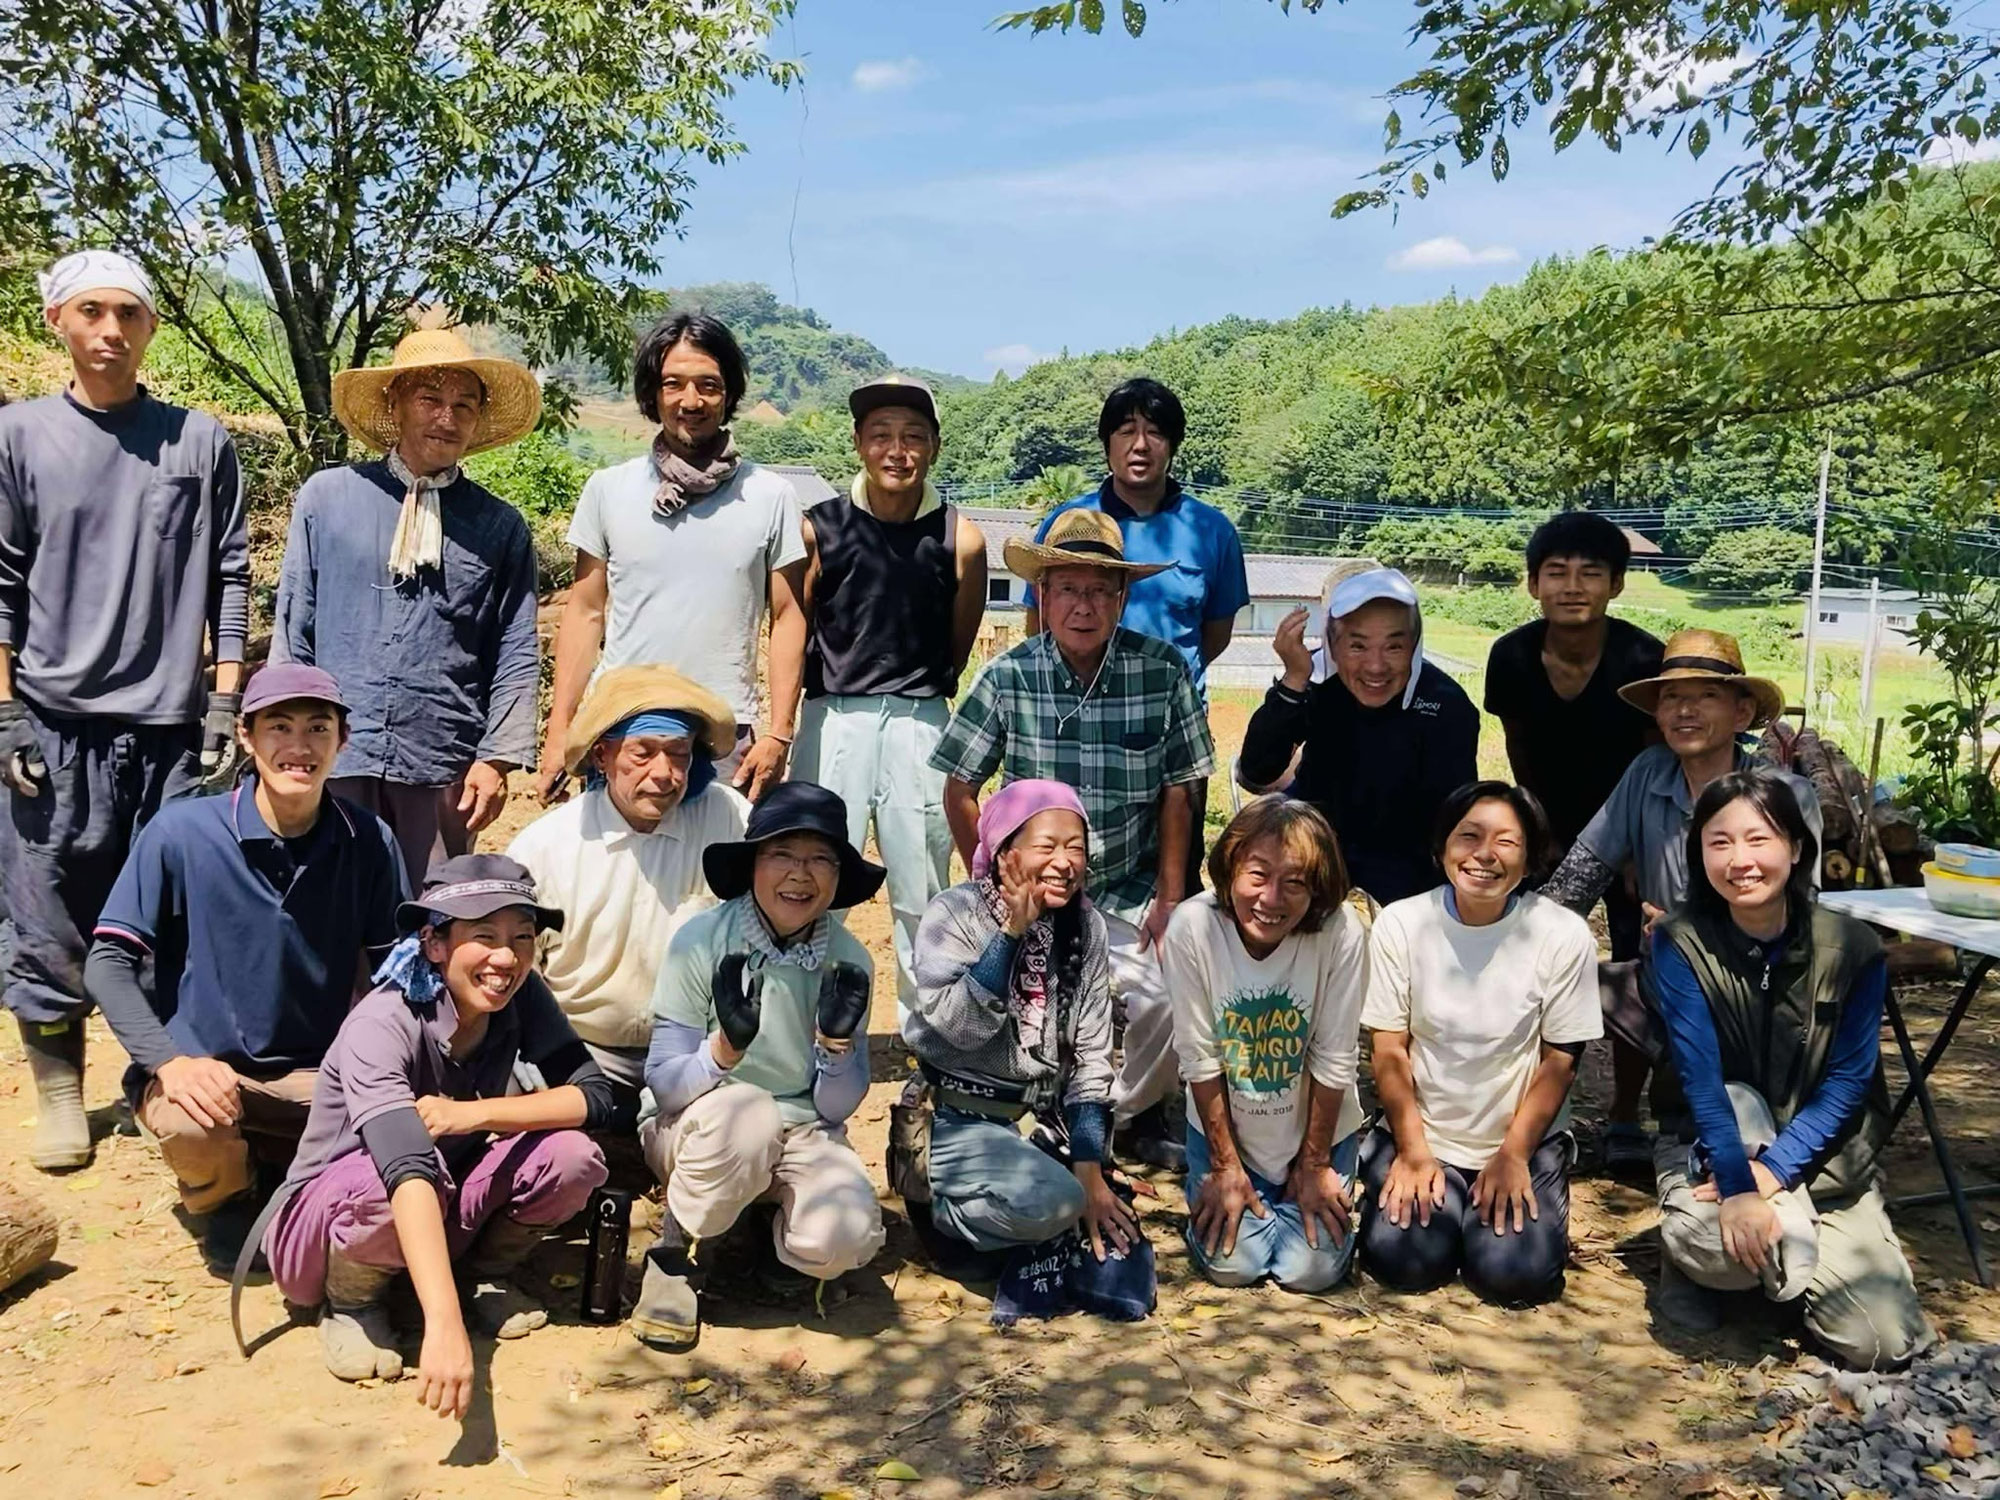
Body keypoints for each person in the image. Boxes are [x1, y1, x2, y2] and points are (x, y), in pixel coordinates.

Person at [0, 250, 251, 1171]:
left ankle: (156, 1077)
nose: (111, 330)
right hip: (52, 721)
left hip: (169, 727)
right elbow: (1, 583)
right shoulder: (18, 437)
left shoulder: (196, 440)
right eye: (92, 312)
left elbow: (230, 576)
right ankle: (59, 1091)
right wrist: (5, 717)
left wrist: (224, 702)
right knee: (47, 911)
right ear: (58, 321)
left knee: (173, 917)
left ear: (151, 328)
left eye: (130, 314)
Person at [85, 665, 408, 1270]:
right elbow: (107, 963)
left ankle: (285, 1171)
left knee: (405, 1138)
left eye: (318, 728)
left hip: (319, 1074)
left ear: (343, 739)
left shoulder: (367, 841)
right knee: (191, 1126)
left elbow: (397, 972)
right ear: (245, 736)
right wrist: (168, 1062)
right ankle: (222, 1200)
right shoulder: (181, 834)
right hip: (207, 1070)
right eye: (278, 727)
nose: (299, 746)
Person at [261, 856, 611, 1403]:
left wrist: (474, 1114)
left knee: (573, 1156)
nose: (506, 957)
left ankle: (481, 1275)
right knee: (383, 1183)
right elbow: (406, 1167)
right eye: (485, 936)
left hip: (442, 1196)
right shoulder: (383, 1023)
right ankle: (353, 1303)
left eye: (523, 936)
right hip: (335, 1220)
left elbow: (594, 1096)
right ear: (433, 943)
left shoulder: (521, 996)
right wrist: (445, 1329)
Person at [930, 508, 1215, 1171]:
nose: (1082, 606)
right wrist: (992, 884)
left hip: (1128, 883)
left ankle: (1122, 1117)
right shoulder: (1010, 675)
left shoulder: (1163, 671)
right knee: (1025, 1004)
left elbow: (1181, 788)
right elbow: (959, 784)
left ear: (1122, 597)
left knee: (1165, 1001)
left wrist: (1171, 896)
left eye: (1098, 591)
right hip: (1037, 891)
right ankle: (1045, 1111)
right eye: (1067, 589)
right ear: (1042, 595)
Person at [1648, 772, 1933, 1369]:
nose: (1740, 860)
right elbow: (1700, 1080)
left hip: (1823, 1159)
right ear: (1699, 854)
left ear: (1797, 849)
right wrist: (1735, 1181)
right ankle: (1703, 1268)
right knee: (1716, 1248)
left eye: (1759, 839)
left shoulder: (1852, 947)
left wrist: (1773, 1174)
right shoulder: (1679, 941)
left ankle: (1789, 1256)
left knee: (1879, 1342)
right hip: (1714, 1144)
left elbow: (1849, 1082)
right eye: (1719, 842)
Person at [1541, 629, 1821, 1175]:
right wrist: (1518, 935)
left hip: (1755, 989)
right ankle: (1542, 1138)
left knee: (1723, 1128)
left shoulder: (1786, 795)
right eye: (1672, 697)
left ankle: (1735, 1139)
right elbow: (1583, 871)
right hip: (1658, 979)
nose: (1684, 711)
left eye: (1705, 696)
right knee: (1543, 980)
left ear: (1742, 713)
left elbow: (1801, 922)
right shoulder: (1649, 773)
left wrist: (1694, 931)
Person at [273, 326, 542, 885]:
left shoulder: (500, 526)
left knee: (431, 916)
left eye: (463, 405)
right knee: (328, 906)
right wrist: (285, 738)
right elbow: (294, 626)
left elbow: (516, 649)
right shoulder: (328, 498)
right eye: (430, 400)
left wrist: (495, 759)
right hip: (334, 755)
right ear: (395, 404)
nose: (447, 417)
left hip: (442, 759)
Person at [629, 782, 887, 1352]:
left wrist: (837, 1045)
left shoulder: (848, 960)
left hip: (800, 1127)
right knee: (747, 1113)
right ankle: (678, 1257)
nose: (802, 875)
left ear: (840, 877)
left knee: (846, 1236)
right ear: (752, 866)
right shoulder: (700, 941)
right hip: (702, 1126)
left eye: (821, 859)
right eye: (783, 856)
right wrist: (725, 1051)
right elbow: (665, 1086)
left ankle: (770, 1251)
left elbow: (835, 1109)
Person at [539, 312, 806, 804]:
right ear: (652, 393)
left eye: (708, 385)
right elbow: (585, 611)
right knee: (616, 876)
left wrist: (779, 732)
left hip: (726, 736)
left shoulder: (771, 496)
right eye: (673, 384)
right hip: (621, 726)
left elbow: (788, 616)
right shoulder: (608, 490)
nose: (691, 401)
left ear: (729, 395)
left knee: (716, 880)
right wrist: (560, 731)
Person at [1358, 783, 1602, 1305]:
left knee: (1513, 1275)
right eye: (1468, 836)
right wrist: (1414, 1150)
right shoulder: (1403, 923)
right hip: (1427, 1135)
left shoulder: (1562, 935)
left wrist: (1514, 1153)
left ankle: (1503, 1209)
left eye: (1506, 843)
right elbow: (1388, 1049)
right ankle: (1428, 1201)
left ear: (1531, 858)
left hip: (1518, 1140)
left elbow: (1560, 1060)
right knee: (1404, 1261)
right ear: (1442, 845)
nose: (1484, 855)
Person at [792, 376, 987, 1027]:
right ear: (858, 443)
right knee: (813, 875)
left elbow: (958, 644)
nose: (896, 450)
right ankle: (807, 1032)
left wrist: (921, 693)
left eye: (912, 437)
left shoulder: (961, 537)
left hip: (920, 720)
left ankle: (927, 1033)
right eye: (881, 435)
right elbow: (795, 626)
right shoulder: (816, 530)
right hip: (831, 720)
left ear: (933, 447)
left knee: (924, 884)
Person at [1485, 513, 1663, 1179]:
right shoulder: (1510, 656)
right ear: (1534, 583)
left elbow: (1655, 758)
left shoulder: (1643, 659)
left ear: (1616, 583)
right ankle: (1517, 1103)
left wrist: (1635, 851)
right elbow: (1519, 747)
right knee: (1523, 959)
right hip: (1549, 825)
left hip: (1634, 828)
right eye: (1557, 571)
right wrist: (1541, 836)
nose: (1573, 586)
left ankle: (1624, 1114)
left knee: (1639, 963)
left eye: (1591, 572)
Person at [1021, 378, 1249, 891]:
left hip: (1174, 730)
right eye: (1126, 431)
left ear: (1173, 445)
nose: (1140, 444)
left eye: (1155, 432)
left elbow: (1215, 633)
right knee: (1060, 869)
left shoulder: (1212, 531)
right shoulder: (1071, 522)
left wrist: (1160, 680)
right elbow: (1039, 622)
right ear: (1107, 443)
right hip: (1073, 727)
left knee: (1173, 880)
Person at [900, 780, 1139, 1266]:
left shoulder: (1085, 925)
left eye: (1076, 847)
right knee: (1059, 1204)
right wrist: (1011, 933)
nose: (1065, 861)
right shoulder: (956, 912)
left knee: (1100, 1204)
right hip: (955, 1117)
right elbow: (960, 1027)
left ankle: (1028, 1203)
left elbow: (1093, 1057)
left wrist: (1090, 1169)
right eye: (1046, 846)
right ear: (1004, 851)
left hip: (1033, 1121)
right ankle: (941, 1212)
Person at [507, 665, 749, 1128]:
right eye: (643, 753)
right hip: (578, 1049)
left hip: (699, 1049)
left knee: (744, 1133)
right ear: (602, 755)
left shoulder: (729, 821)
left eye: (678, 754)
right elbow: (516, 963)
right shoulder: (548, 846)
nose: (664, 773)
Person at [1166, 796, 1369, 1293]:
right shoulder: (1193, 927)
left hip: (1314, 1131)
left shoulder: (1342, 933)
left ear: (1318, 890)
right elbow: (1199, 1056)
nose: (1271, 899)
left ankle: (1301, 1199)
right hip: (1229, 1132)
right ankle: (1239, 1204)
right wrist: (1224, 1166)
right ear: (1230, 869)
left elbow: (1335, 1056)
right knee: (1236, 1266)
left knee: (1310, 1271)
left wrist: (1315, 1164)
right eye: (1257, 875)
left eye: (1295, 883)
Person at [1239, 567, 1479, 909]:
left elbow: (1453, 821)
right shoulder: (1316, 681)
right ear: (1332, 644)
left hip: (1408, 880)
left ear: (1415, 644)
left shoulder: (1446, 704)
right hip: (1317, 858)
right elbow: (1257, 770)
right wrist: (1293, 680)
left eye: (1394, 646)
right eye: (1357, 646)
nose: (1375, 667)